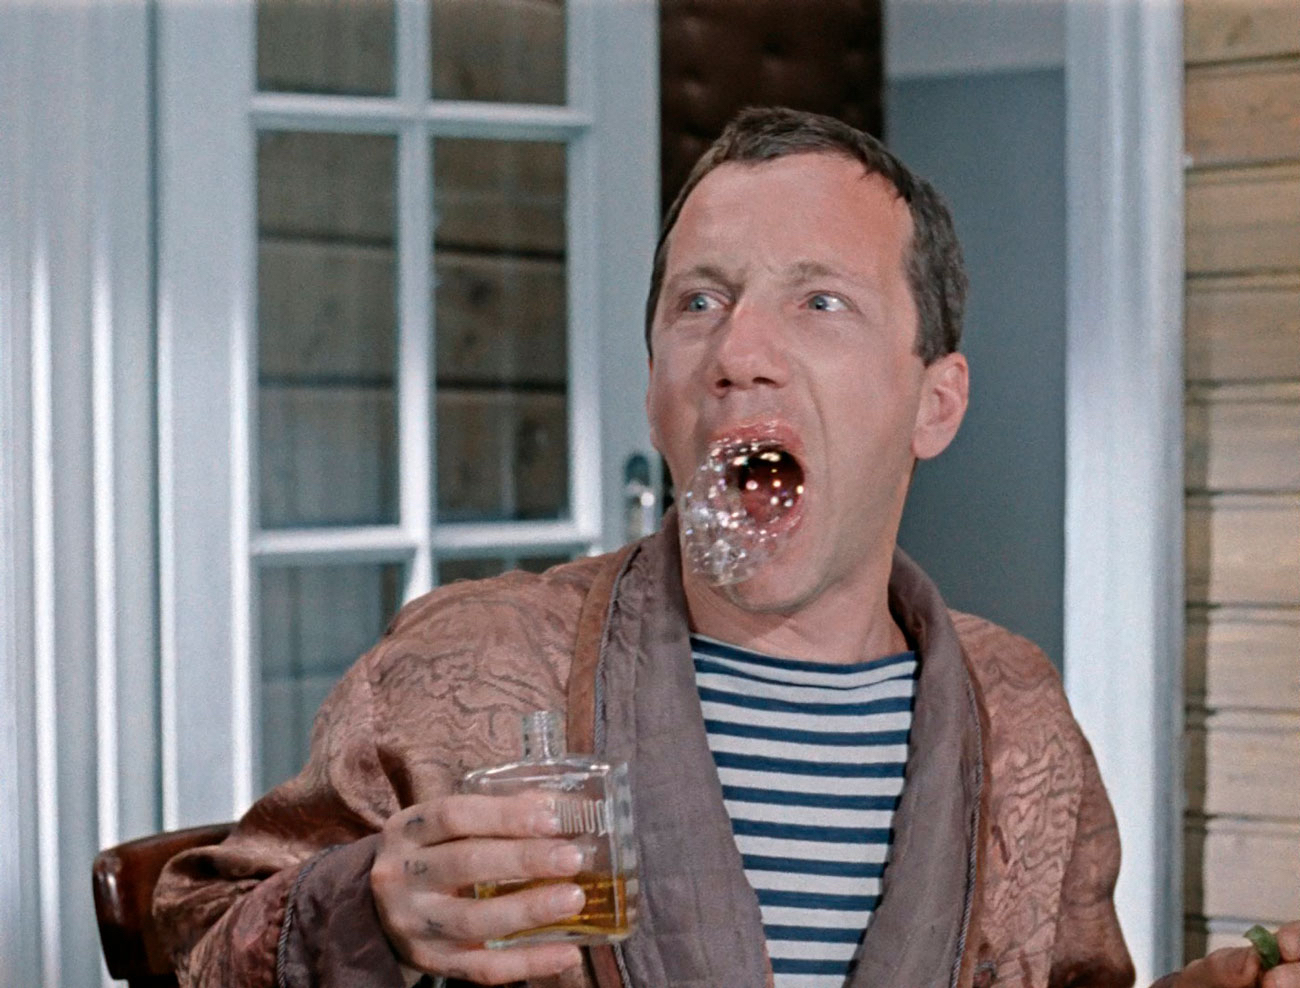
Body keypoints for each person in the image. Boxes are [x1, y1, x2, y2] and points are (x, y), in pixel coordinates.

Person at [154, 107, 1300, 988]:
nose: (737, 351)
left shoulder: (1020, 711)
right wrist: (366, 908)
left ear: (933, 403)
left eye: (819, 303)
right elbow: (195, 940)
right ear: (654, 388)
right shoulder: (461, 664)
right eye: (698, 303)